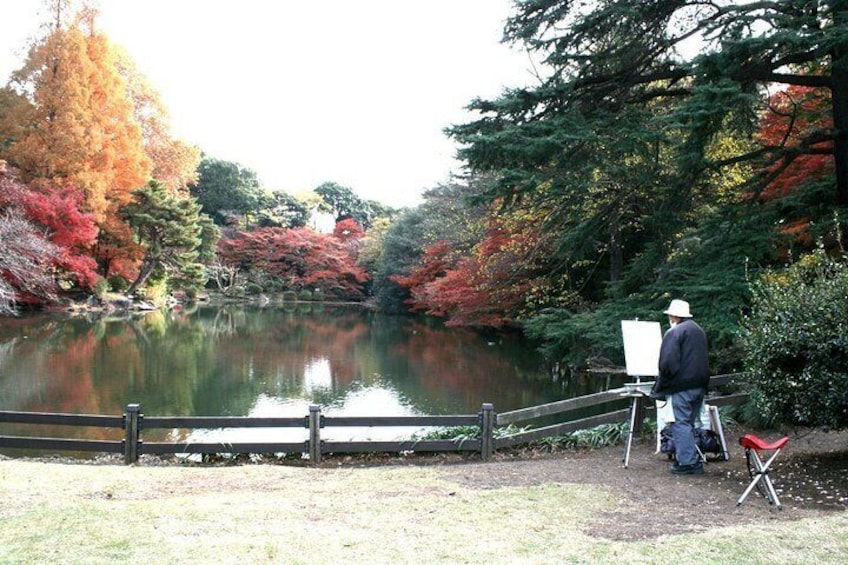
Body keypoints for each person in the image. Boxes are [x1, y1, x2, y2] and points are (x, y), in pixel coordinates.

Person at [655, 299, 709, 475]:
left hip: (682, 385)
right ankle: (691, 458)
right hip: (700, 384)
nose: (670, 317)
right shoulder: (699, 331)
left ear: (675, 315)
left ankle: (688, 463)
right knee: (690, 423)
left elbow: (668, 363)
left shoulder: (675, 332)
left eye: (670, 314)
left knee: (681, 423)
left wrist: (662, 384)